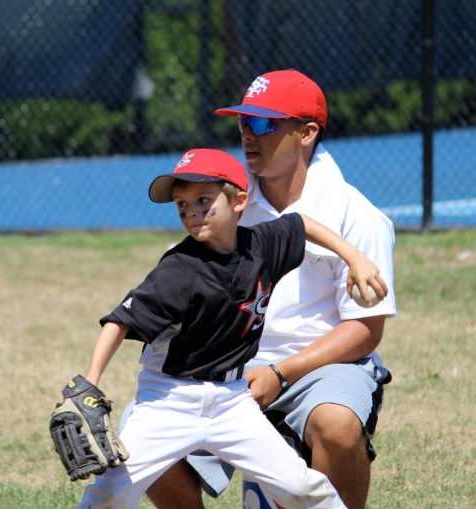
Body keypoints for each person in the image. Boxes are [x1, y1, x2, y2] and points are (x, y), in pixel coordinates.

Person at [76, 147, 388, 509]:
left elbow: (301, 222)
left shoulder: (261, 244)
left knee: (302, 489)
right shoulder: (178, 268)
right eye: (181, 206)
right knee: (109, 494)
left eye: (203, 200)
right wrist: (91, 381)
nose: (191, 212)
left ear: (240, 200)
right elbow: (120, 320)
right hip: (169, 401)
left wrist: (355, 257)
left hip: (232, 401)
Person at [145, 70, 397, 509]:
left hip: (322, 366)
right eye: (243, 123)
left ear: (307, 132)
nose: (248, 135)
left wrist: (281, 374)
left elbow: (365, 331)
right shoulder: (228, 203)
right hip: (231, 365)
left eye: (264, 124)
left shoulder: (357, 215)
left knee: (336, 424)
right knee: (143, 435)